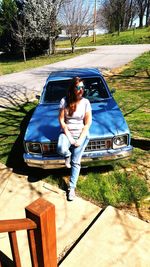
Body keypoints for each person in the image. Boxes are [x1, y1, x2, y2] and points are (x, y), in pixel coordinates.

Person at [57, 77, 92, 201]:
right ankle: (67, 155)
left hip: (81, 134)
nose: (81, 90)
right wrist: (70, 138)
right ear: (72, 88)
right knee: (61, 148)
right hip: (67, 133)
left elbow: (87, 123)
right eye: (78, 87)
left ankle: (71, 188)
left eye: (83, 87)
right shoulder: (64, 101)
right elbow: (61, 120)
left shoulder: (86, 102)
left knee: (76, 163)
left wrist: (80, 139)